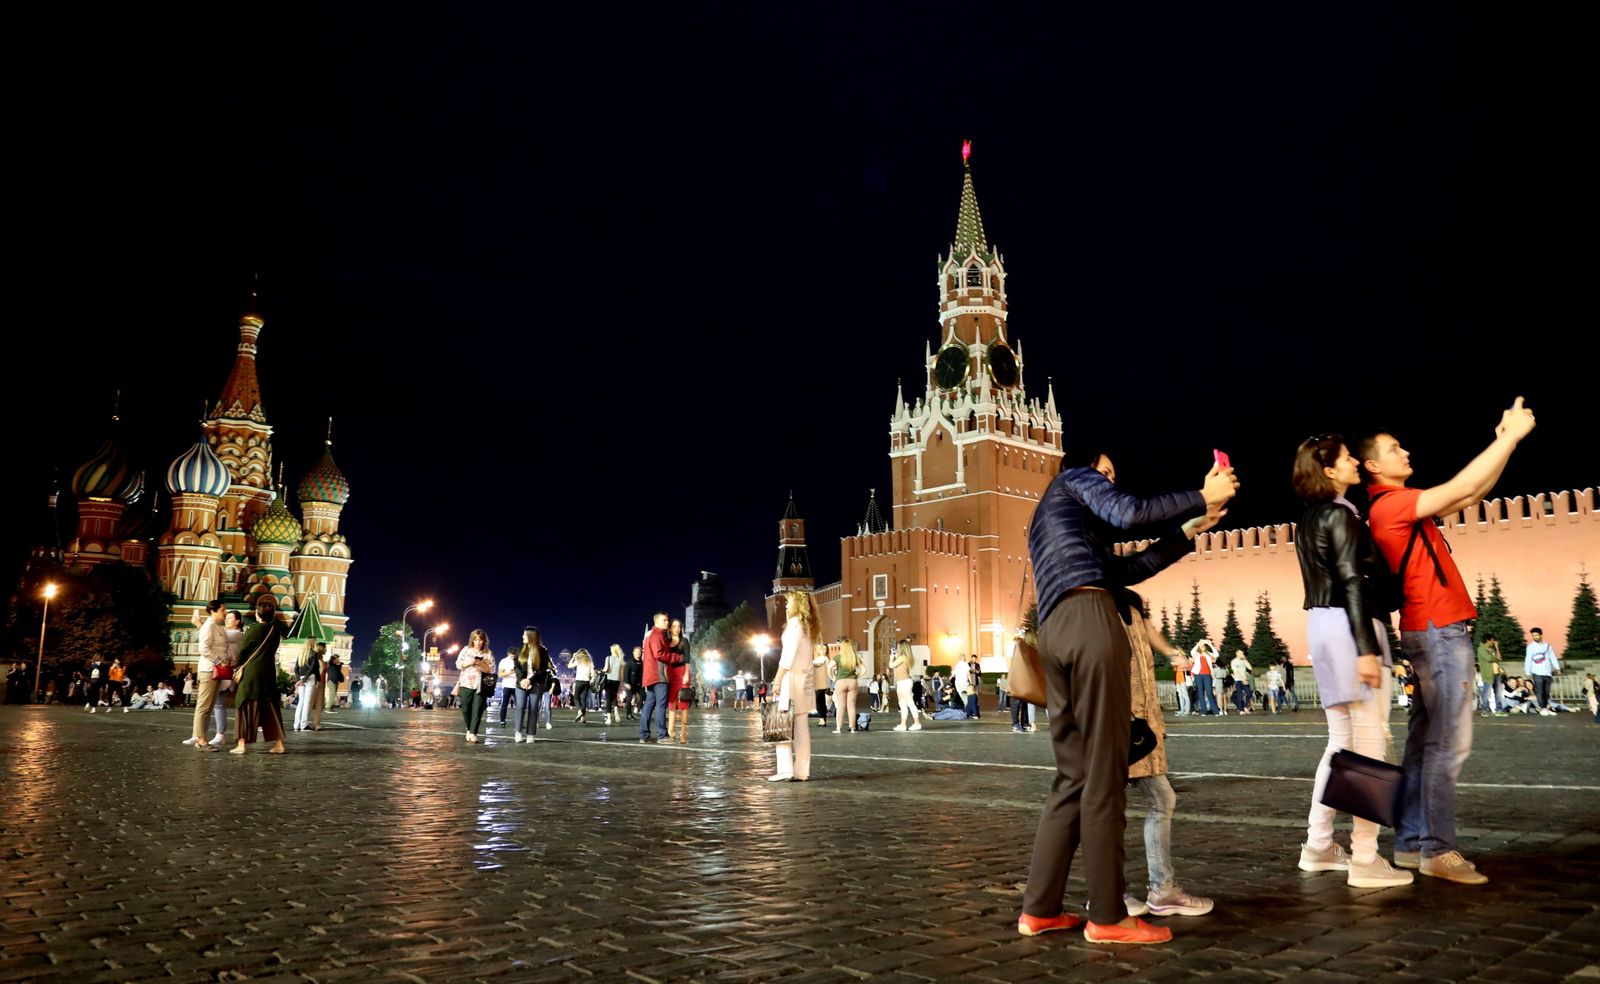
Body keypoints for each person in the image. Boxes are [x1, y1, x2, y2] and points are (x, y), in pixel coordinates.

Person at [1016, 445, 1234, 945]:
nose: (1109, 481)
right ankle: (1109, 916)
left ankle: (1040, 909)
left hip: (1055, 631)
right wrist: (1203, 495)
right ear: (1083, 469)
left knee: (1072, 777)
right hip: (1090, 623)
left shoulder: (1065, 531)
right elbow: (1130, 513)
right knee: (1104, 774)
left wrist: (1189, 529)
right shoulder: (1073, 481)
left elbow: (1129, 571)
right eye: (1105, 473)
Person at [1358, 395, 1536, 884]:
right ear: (1373, 466)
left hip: (1431, 629)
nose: (1405, 452)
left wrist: (1505, 445)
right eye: (1394, 448)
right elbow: (1462, 486)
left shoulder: (1397, 504)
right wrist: (1509, 438)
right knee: (1447, 744)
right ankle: (1437, 849)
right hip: (1437, 630)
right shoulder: (1391, 504)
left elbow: (1469, 495)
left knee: (1424, 743)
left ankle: (1412, 842)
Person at [1291, 435, 1413, 888]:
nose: (1354, 463)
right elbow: (1352, 580)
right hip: (1350, 626)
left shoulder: (1309, 519)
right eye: (1346, 459)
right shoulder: (1341, 515)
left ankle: (1319, 845)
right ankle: (1365, 858)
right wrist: (1366, 649)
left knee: (1340, 742)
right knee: (1370, 744)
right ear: (1328, 471)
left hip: (1322, 626)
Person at [1118, 588, 1216, 917]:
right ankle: (1120, 893)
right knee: (1107, 807)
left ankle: (1156, 890)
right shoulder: (1093, 600)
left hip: (1141, 724)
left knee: (1158, 799)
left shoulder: (1127, 599)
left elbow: (1146, 628)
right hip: (1117, 720)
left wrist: (1173, 652)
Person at [769, 589, 819, 782]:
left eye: (789, 602)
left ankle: (785, 769)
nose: (787, 606)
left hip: (791, 680)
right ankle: (802, 771)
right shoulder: (809, 627)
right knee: (801, 728)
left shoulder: (795, 624)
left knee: (781, 725)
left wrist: (777, 679)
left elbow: (787, 656)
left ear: (798, 604)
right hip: (804, 680)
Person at [231, 595, 288, 755]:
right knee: (270, 707)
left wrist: (237, 666)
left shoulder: (254, 629)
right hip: (268, 672)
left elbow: (242, 650)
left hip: (252, 673)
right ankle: (279, 744)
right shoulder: (275, 631)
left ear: (257, 613)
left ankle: (241, 744)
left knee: (245, 704)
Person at [185, 601, 228, 751]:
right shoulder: (209, 626)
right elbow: (203, 648)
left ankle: (202, 738)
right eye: (222, 610)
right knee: (203, 706)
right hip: (209, 670)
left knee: (209, 706)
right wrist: (219, 661)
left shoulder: (217, 626)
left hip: (216, 670)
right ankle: (201, 739)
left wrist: (228, 660)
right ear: (213, 611)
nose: (225, 613)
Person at [638, 613, 672, 743]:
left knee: (649, 705)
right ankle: (662, 735)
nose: (667, 622)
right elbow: (659, 654)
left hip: (650, 675)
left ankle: (644, 735)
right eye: (664, 620)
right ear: (657, 621)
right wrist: (674, 657)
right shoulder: (657, 635)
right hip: (659, 675)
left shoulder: (651, 635)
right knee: (661, 705)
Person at [512, 628, 549, 743]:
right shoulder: (520, 651)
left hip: (536, 683)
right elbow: (517, 667)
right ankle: (518, 732)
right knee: (520, 707)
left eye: (524, 635)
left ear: (531, 636)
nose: (522, 636)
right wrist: (522, 680)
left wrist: (530, 681)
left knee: (533, 708)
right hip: (521, 684)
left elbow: (542, 671)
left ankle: (530, 734)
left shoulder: (542, 652)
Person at [457, 630, 495, 742]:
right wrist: (471, 662)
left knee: (477, 709)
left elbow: (492, 670)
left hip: (481, 684)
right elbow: (458, 664)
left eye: (480, 640)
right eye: (476, 639)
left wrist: (481, 664)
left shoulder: (488, 653)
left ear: (484, 641)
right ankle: (469, 729)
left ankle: (473, 733)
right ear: (472, 640)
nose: (478, 642)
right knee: (465, 708)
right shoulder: (466, 650)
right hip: (466, 683)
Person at [1524, 628, 1561, 716]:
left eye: (1536, 635)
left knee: (1547, 692)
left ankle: (1546, 707)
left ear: (1541, 635)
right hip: (1537, 672)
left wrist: (1557, 667)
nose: (1535, 637)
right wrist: (1528, 672)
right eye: (1533, 635)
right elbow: (1528, 659)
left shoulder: (1547, 646)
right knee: (1539, 691)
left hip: (1547, 672)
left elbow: (1552, 657)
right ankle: (1543, 708)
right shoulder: (1531, 647)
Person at [665, 620, 691, 738]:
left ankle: (683, 733)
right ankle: (671, 730)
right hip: (670, 673)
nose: (677, 628)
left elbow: (687, 659)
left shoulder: (684, 641)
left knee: (683, 702)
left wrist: (686, 674)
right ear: (670, 628)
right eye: (674, 626)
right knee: (671, 702)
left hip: (682, 672)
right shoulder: (666, 642)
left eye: (679, 626)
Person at [890, 640, 922, 732]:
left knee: (909, 703)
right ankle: (903, 724)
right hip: (901, 682)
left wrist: (891, 658)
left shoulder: (903, 657)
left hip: (904, 682)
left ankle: (917, 723)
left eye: (899, 647)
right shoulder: (903, 658)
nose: (897, 648)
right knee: (902, 704)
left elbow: (891, 665)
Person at [292, 642, 323, 733]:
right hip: (310, 678)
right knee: (307, 702)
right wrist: (312, 679)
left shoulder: (301, 654)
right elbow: (313, 668)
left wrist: (299, 680)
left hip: (301, 677)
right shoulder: (313, 653)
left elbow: (296, 669)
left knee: (301, 701)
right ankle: (304, 725)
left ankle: (296, 725)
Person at [833, 639, 862, 733]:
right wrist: (857, 675)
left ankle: (838, 728)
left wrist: (832, 677)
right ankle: (852, 728)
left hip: (841, 681)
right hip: (852, 681)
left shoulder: (838, 657)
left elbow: (829, 667)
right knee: (851, 706)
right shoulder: (855, 657)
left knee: (841, 705)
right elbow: (864, 669)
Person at [1188, 639, 1219, 716]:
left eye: (1204, 645)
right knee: (1200, 693)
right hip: (1198, 675)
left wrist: (1210, 644)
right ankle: (1204, 711)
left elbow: (1216, 654)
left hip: (1207, 675)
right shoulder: (1196, 654)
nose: (1203, 646)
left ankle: (1216, 711)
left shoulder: (1208, 654)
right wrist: (1199, 643)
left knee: (1209, 692)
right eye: (1202, 646)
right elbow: (1192, 652)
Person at [1476, 634, 1503, 716]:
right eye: (1492, 640)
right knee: (1486, 693)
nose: (1494, 642)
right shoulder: (1481, 649)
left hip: (1496, 673)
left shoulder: (1492, 649)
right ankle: (1484, 710)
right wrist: (1495, 657)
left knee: (1498, 693)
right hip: (1488, 674)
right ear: (1488, 640)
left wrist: (1497, 648)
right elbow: (1489, 658)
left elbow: (1500, 658)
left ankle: (1499, 710)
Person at [568, 647, 596, 725]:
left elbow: (569, 666)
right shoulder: (590, 662)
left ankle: (579, 711)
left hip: (579, 681)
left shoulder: (578, 661)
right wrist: (591, 680)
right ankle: (583, 718)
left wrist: (573, 657)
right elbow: (593, 673)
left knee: (576, 697)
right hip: (586, 682)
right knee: (583, 700)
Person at [603, 644, 625, 724]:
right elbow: (622, 673)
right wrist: (621, 683)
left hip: (608, 680)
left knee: (608, 698)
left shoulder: (608, 658)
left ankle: (609, 718)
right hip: (616, 681)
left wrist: (601, 671)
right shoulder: (621, 660)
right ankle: (616, 710)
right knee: (614, 696)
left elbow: (606, 669)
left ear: (613, 650)